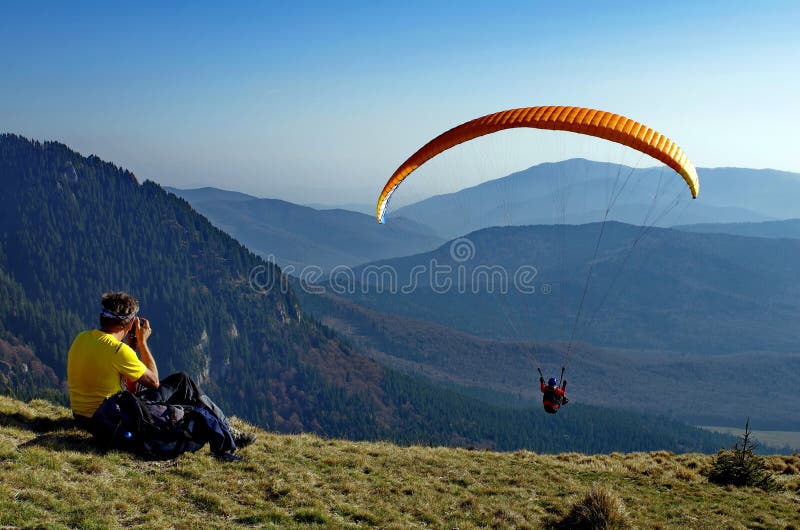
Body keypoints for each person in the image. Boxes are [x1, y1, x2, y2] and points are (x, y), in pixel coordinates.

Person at [67, 291, 256, 448]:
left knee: (180, 383)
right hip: (109, 419)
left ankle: (223, 427)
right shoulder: (117, 350)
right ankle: (228, 431)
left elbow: (129, 390)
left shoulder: (82, 338)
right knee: (183, 381)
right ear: (129, 323)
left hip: (83, 417)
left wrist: (131, 349)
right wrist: (142, 343)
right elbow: (153, 381)